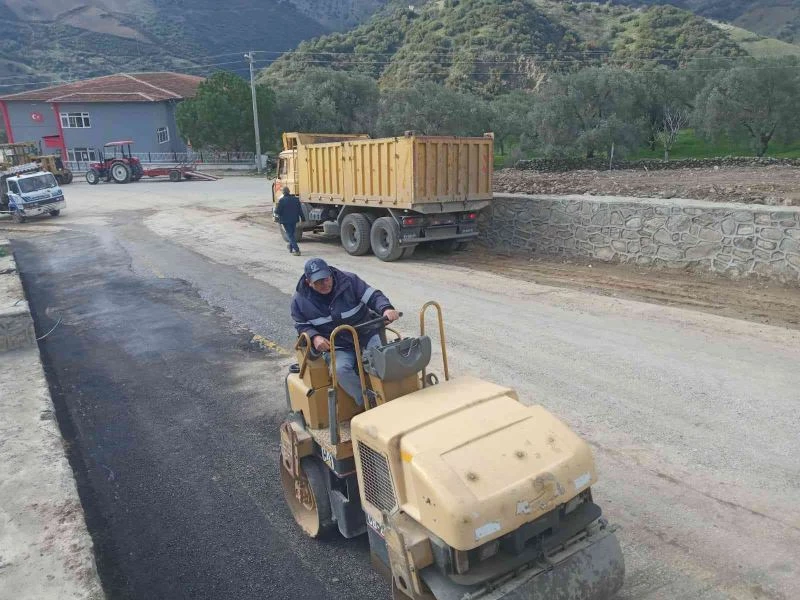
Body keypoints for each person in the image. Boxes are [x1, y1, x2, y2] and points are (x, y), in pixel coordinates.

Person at [291, 258, 400, 404]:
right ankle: (369, 401)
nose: (325, 284)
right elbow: (301, 325)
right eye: (318, 282)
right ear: (308, 282)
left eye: (326, 278)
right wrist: (315, 337)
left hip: (366, 334)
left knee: (381, 359)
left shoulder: (349, 280)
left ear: (330, 274)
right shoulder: (299, 301)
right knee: (340, 371)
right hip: (338, 345)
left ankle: (395, 394)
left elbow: (373, 297)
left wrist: (386, 308)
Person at [275, 186, 304, 256]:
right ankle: (291, 248)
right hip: (294, 220)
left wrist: (276, 211)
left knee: (290, 235)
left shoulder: (282, 200)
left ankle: (297, 250)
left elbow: (277, 211)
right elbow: (300, 210)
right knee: (292, 234)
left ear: (283, 193)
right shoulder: (296, 199)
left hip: (285, 221)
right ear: (289, 192)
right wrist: (303, 218)